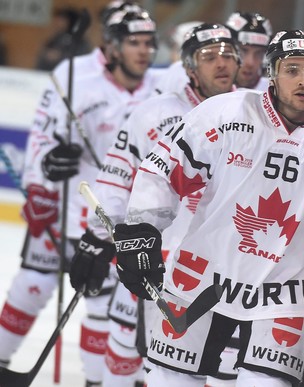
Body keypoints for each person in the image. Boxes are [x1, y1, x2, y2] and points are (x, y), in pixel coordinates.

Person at [110, 30, 304, 386]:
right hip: (203, 275)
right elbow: (163, 169)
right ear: (272, 73)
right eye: (292, 69)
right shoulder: (224, 113)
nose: (303, 80)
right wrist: (142, 231)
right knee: (168, 380)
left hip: (287, 290)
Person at [71, 22, 241, 387]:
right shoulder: (152, 113)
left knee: (213, 373)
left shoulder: (253, 114)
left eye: (229, 55)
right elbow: (116, 179)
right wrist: (97, 239)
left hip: (222, 271)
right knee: (125, 358)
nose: (221, 63)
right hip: (152, 260)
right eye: (209, 57)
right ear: (190, 67)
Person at [13, 7, 160, 386]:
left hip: (116, 221)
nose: (143, 51)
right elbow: (44, 136)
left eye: (148, 43)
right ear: (111, 47)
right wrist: (44, 173)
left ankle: (96, 381)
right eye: (134, 43)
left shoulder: (160, 90)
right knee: (31, 284)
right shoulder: (76, 76)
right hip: (66, 208)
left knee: (102, 306)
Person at [225, 11, 273, 90]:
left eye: (259, 53)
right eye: (243, 51)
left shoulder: (275, 93)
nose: (250, 63)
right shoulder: (207, 89)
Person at [35, 7, 92, 71]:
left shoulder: (81, 42)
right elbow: (43, 55)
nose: (57, 23)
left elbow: (81, 60)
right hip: (48, 74)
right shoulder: (56, 38)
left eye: (62, 20)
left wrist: (59, 57)